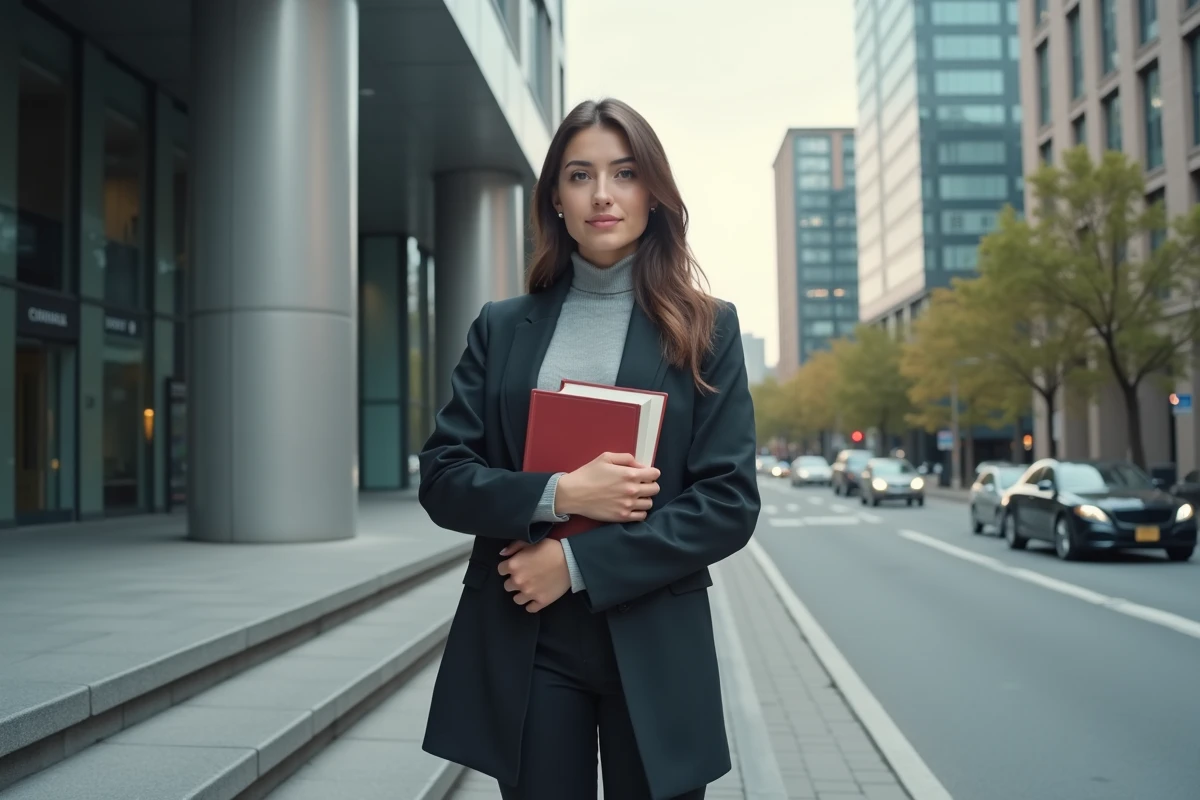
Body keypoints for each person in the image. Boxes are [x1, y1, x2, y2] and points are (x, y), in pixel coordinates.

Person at [417, 97, 761, 800]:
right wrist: (560, 494)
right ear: (557, 199)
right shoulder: (503, 327)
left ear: (653, 193)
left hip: (655, 637)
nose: (603, 194)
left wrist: (573, 562)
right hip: (529, 638)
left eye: (624, 173)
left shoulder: (707, 329)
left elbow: (727, 503)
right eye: (580, 175)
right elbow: (444, 477)